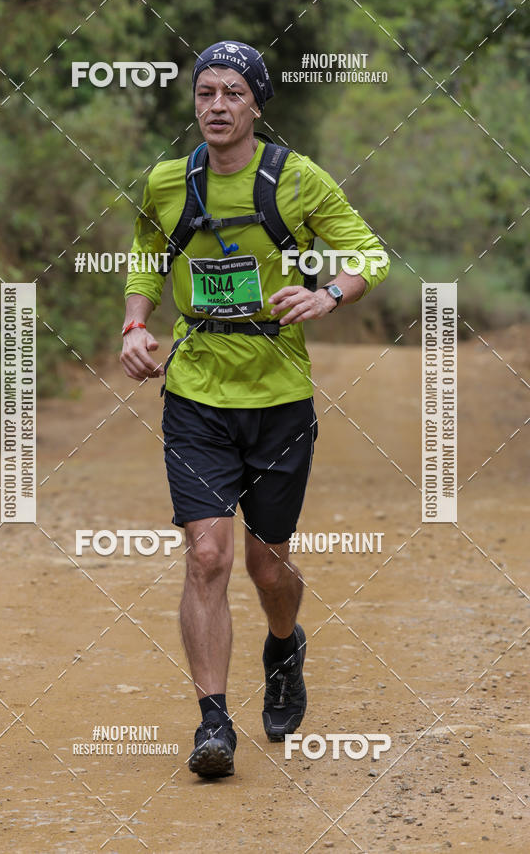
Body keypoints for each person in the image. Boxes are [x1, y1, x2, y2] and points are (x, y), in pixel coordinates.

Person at [120, 40, 389, 779]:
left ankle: (283, 646)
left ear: (257, 104)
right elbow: (147, 246)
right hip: (196, 392)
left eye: (232, 93)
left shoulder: (297, 181)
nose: (215, 105)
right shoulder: (168, 182)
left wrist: (328, 293)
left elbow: (368, 254)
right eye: (205, 92)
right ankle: (213, 723)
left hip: (278, 397)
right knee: (206, 554)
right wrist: (136, 320)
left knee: (268, 567)